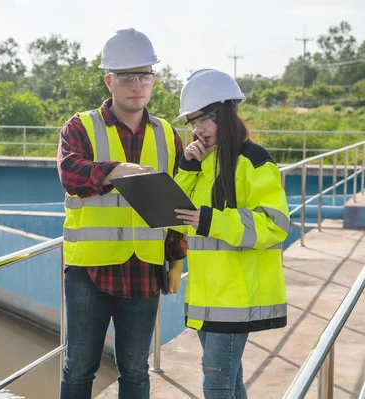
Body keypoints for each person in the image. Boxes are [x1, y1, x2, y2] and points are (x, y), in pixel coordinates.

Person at [56, 28, 187, 399]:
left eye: (144, 75)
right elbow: (70, 174)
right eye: (126, 76)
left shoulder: (167, 134)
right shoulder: (81, 126)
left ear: (154, 80)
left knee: (136, 370)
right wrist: (117, 171)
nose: (136, 85)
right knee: (80, 368)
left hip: (143, 270)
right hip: (89, 273)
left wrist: (175, 257)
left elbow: (177, 204)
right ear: (108, 80)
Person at [172, 69, 290, 399]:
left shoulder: (254, 161)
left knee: (217, 384)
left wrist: (211, 221)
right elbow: (180, 219)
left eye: (204, 119)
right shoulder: (204, 163)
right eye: (193, 122)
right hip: (207, 296)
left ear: (226, 111)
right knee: (229, 383)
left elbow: (275, 224)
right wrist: (187, 168)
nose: (198, 129)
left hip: (236, 296)